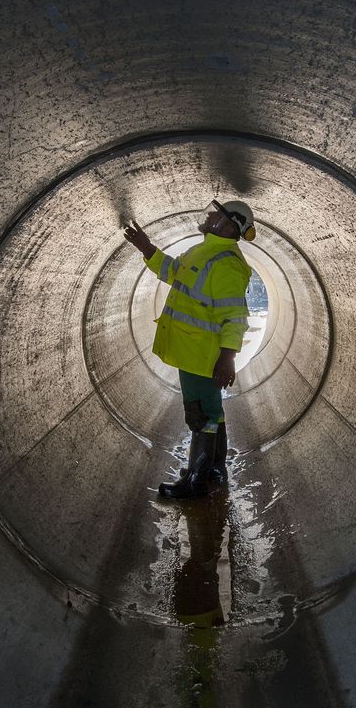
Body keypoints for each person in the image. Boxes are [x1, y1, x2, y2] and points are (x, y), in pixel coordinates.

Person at [122, 199, 256, 499]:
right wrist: (147, 248)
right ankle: (214, 468)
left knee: (200, 415)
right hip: (190, 349)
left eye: (216, 213)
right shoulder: (203, 251)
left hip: (201, 355)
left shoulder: (227, 264)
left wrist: (228, 356)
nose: (209, 215)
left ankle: (195, 481)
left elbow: (235, 314)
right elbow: (173, 272)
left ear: (230, 224)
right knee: (212, 411)